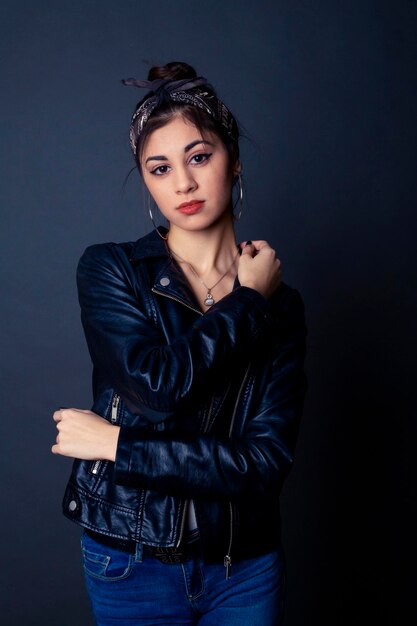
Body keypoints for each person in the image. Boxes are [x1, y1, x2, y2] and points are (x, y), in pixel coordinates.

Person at [52, 61, 307, 626]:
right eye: (159, 168)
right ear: (145, 180)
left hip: (244, 569)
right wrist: (248, 303)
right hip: (130, 559)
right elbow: (156, 388)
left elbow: (263, 465)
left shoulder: (282, 308)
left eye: (199, 157)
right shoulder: (112, 269)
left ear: (233, 160)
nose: (183, 184)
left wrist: (118, 446)